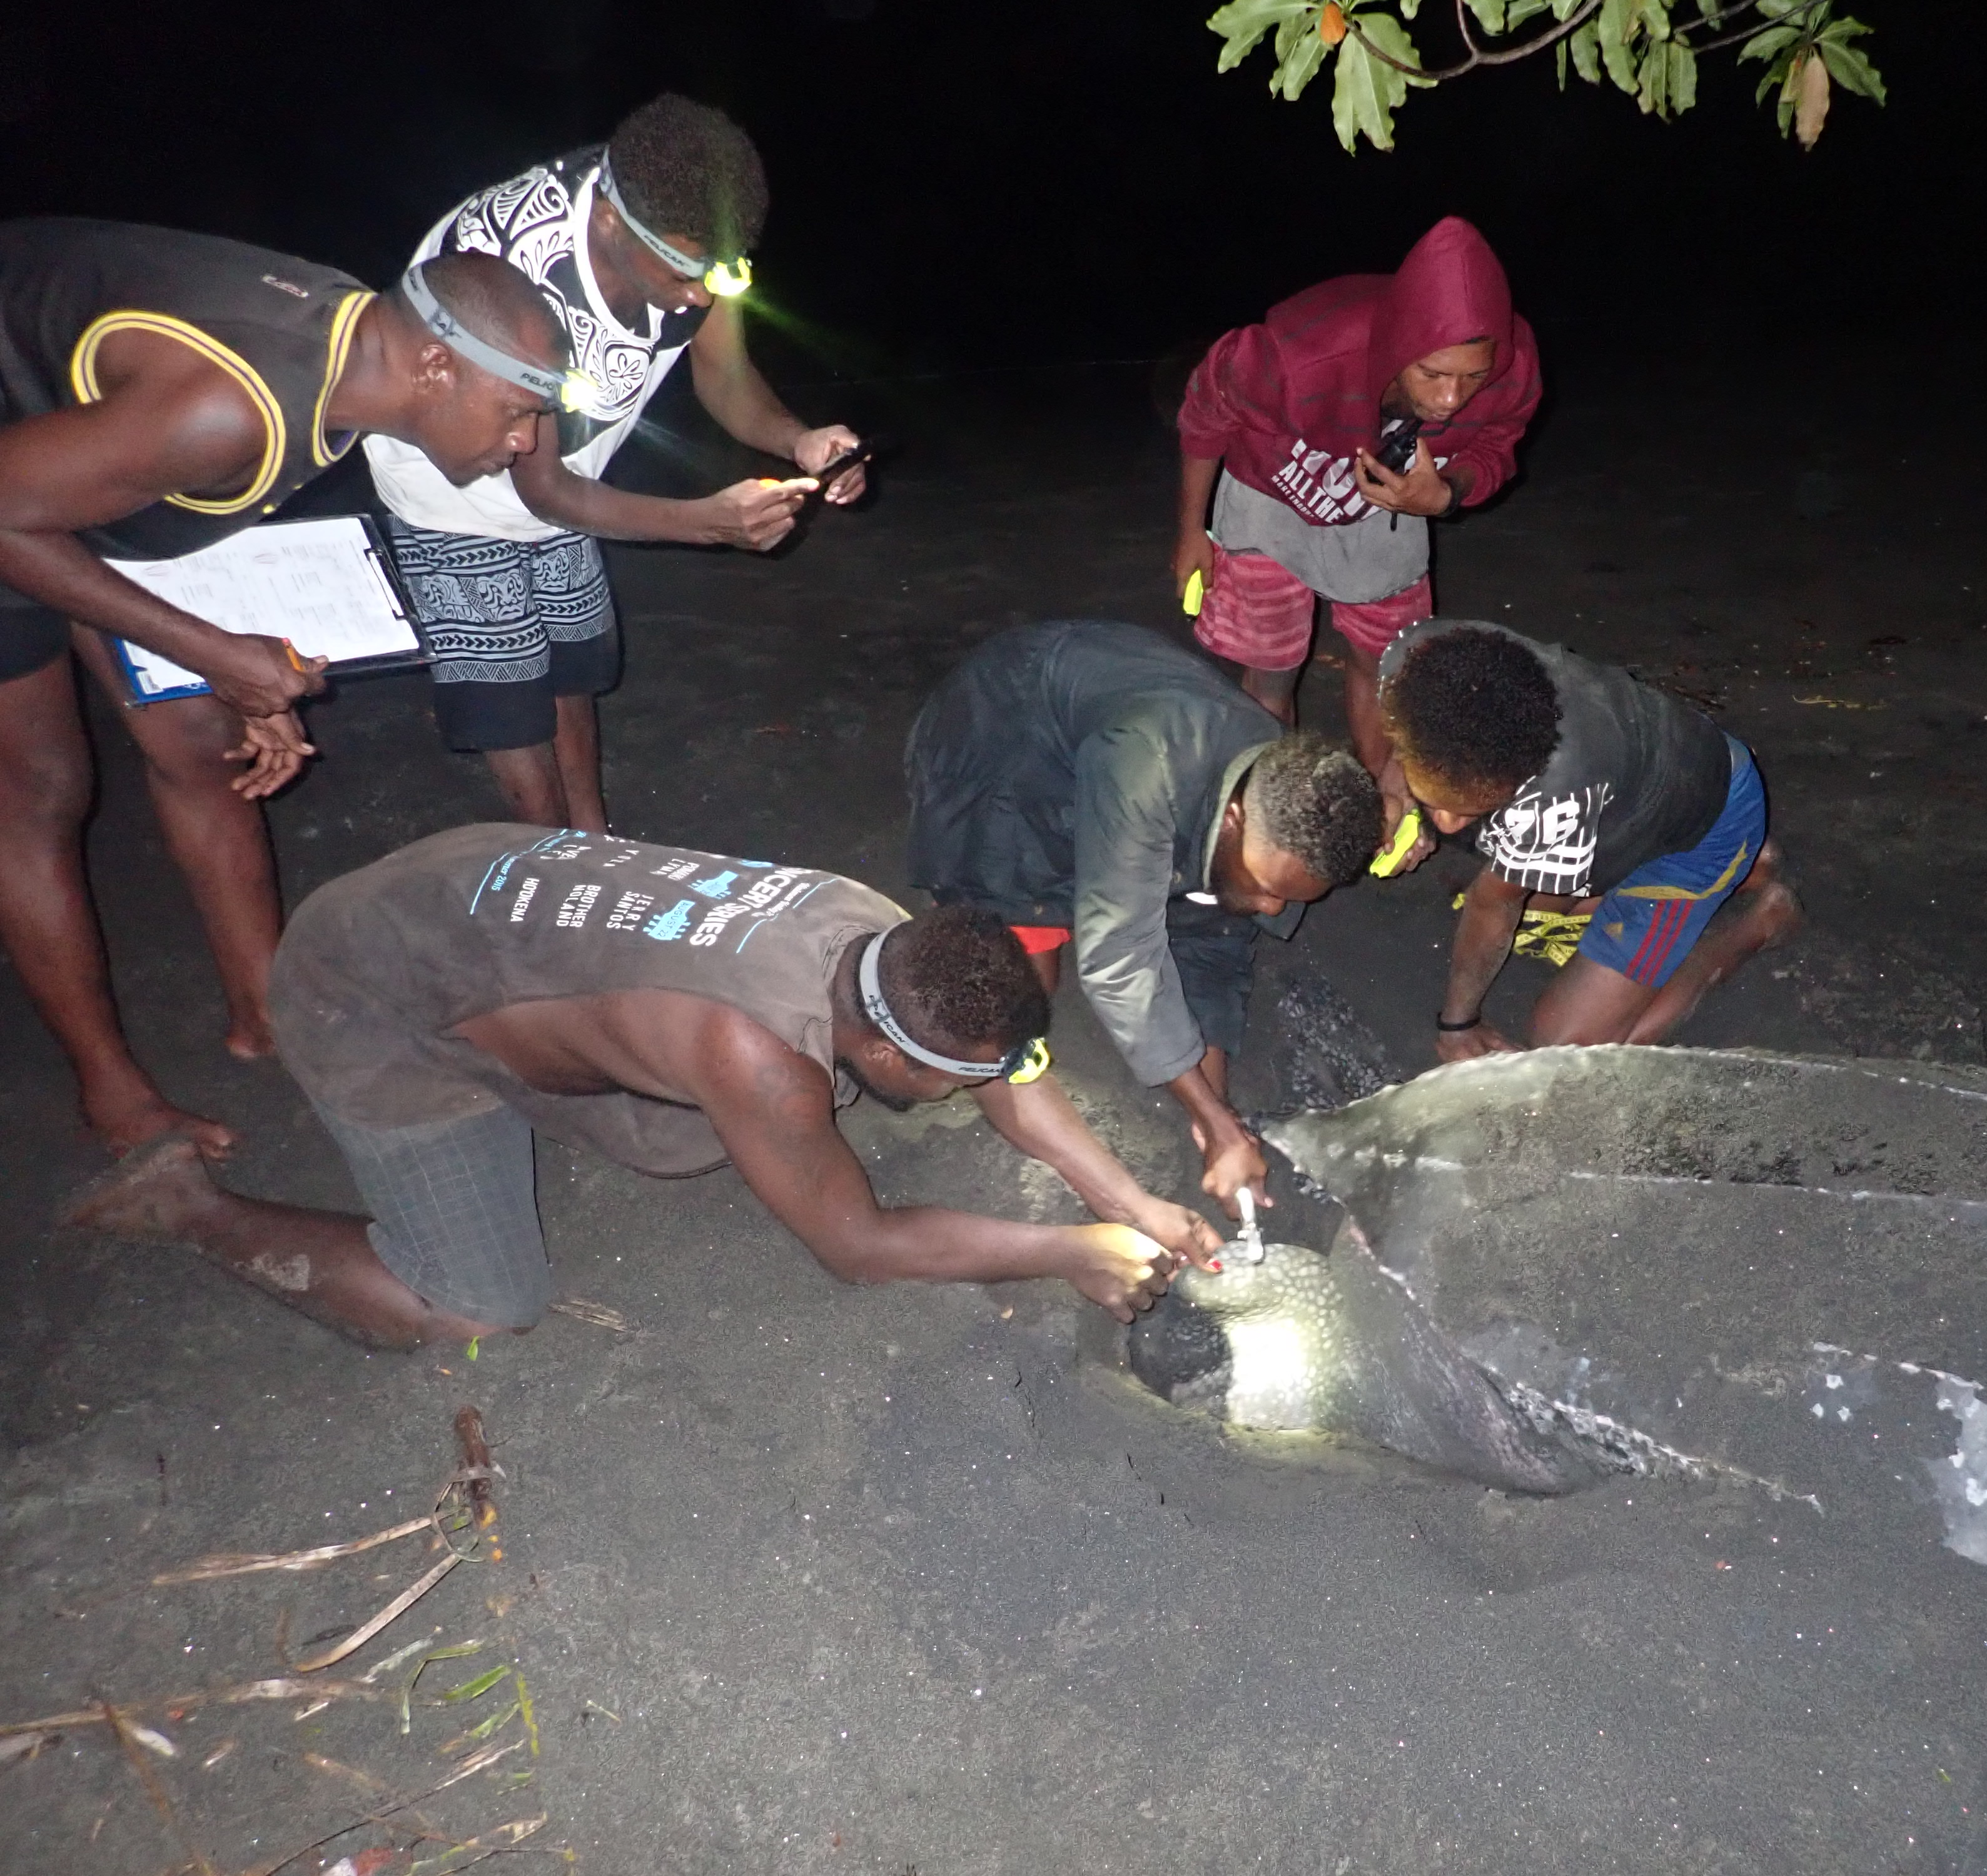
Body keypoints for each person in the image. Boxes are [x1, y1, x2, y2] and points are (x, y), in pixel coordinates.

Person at [65, 823, 1227, 1348]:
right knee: (480, 1306)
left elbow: (1007, 1077)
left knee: (696, 1140)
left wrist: (1131, 1203)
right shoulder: (756, 1056)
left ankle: (547, 1073)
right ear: (881, 1053)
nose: (970, 1094)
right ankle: (184, 1206)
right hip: (367, 987)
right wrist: (1067, 1250)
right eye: (945, 1084)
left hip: (465, 881)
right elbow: (857, 1248)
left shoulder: (890, 943)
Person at [0, 221, 570, 1157]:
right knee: (40, 789)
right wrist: (214, 650)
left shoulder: (350, 352)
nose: (525, 440)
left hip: (71, 452)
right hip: (15, 489)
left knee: (199, 740)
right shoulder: (225, 409)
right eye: (516, 409)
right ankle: (112, 1093)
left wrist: (223, 659)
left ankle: (266, 1016)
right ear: (434, 369)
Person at [366, 93, 869, 837]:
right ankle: (551, 870)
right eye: (685, 272)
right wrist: (705, 526)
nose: (702, 294)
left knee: (572, 674)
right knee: (513, 703)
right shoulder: (517, 276)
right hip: (452, 484)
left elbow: (724, 376)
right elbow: (543, 490)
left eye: (721, 275)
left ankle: (597, 848)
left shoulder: (687, 234)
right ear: (607, 219)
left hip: (570, 474)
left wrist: (798, 441)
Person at [905, 620, 1381, 1208]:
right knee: (1015, 1001)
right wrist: (1214, 1118)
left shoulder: (1275, 791)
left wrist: (1214, 1117)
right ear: (1231, 818)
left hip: (1111, 751)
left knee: (1196, 906)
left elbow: (1211, 946)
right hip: (1007, 739)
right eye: (1264, 887)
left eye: (1287, 899)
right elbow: (1119, 960)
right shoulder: (1147, 769)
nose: (1271, 907)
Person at [1172, 216, 1540, 780]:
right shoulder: (1293, 359)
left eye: (1473, 377)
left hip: (1393, 503)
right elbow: (1205, 414)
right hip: (1272, 489)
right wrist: (1191, 531)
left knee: (1384, 665)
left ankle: (1390, 804)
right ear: (1398, 347)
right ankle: (1278, 804)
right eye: (1433, 373)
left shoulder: (1512, 370)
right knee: (1271, 671)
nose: (1451, 399)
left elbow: (1498, 445)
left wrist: (1444, 496)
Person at [1371, 620, 1802, 1058]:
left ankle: (1761, 920)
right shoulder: (1419, 660)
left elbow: (1493, 903)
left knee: (1564, 1044)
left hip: (1703, 828)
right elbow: (1400, 733)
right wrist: (1395, 792)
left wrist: (1458, 1024)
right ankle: (1740, 870)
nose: (1443, 825)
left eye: (1467, 811)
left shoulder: (1560, 789)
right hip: (1632, 792)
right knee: (1530, 914)